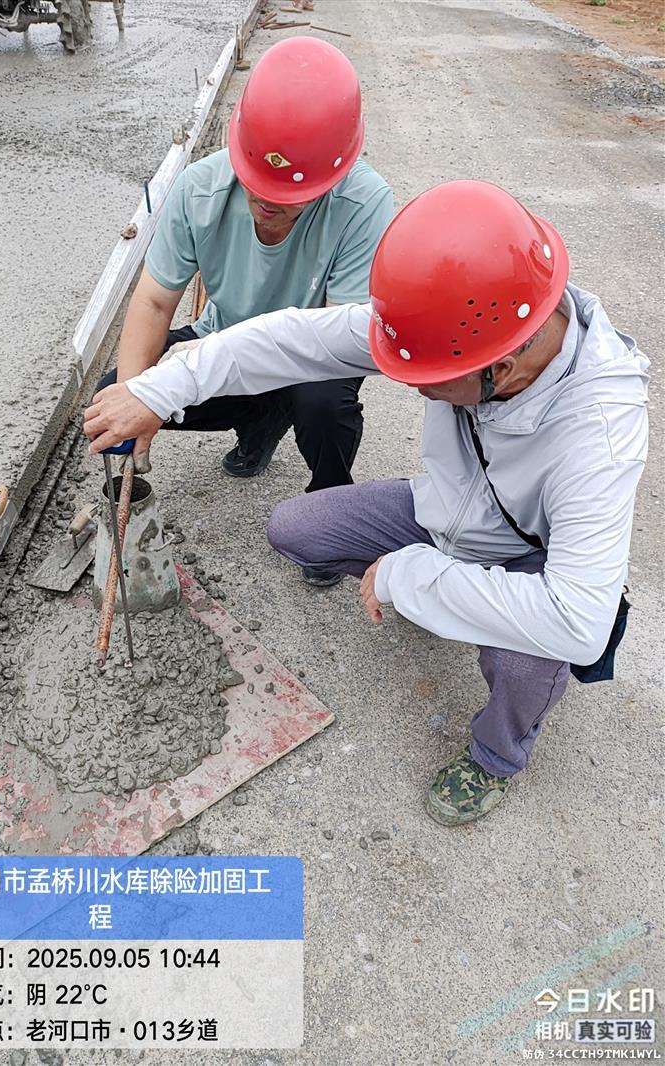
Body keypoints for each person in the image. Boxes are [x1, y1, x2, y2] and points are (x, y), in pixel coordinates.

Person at [84, 179, 649, 826]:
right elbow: (290, 339)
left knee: (523, 659)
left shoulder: (599, 431)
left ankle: (496, 754)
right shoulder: (455, 320)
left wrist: (410, 577)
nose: (415, 391)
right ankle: (444, 590)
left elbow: (578, 621)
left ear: (503, 368)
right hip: (446, 515)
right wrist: (157, 390)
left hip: (533, 560)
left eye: (430, 384)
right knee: (295, 529)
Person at [98, 36, 393, 585]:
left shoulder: (363, 203)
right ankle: (260, 426)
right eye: (259, 189)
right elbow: (155, 301)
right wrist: (137, 404)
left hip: (312, 361)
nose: (270, 204)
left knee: (324, 403)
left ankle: (330, 510)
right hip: (223, 342)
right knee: (113, 390)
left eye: (290, 197)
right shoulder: (199, 190)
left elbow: (345, 338)